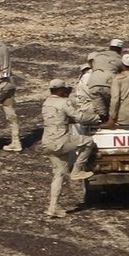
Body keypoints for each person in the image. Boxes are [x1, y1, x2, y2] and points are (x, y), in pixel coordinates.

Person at [41, 79, 96, 219]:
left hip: (47, 143)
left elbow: (60, 118)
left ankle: (53, 207)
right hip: (61, 141)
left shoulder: (46, 103)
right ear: (60, 90)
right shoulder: (63, 102)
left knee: (58, 175)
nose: (67, 92)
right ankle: (77, 170)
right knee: (88, 142)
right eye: (65, 90)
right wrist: (96, 118)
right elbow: (79, 117)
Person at [102, 54, 129, 127]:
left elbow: (115, 100)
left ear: (122, 65)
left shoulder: (118, 79)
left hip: (122, 117)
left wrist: (112, 118)